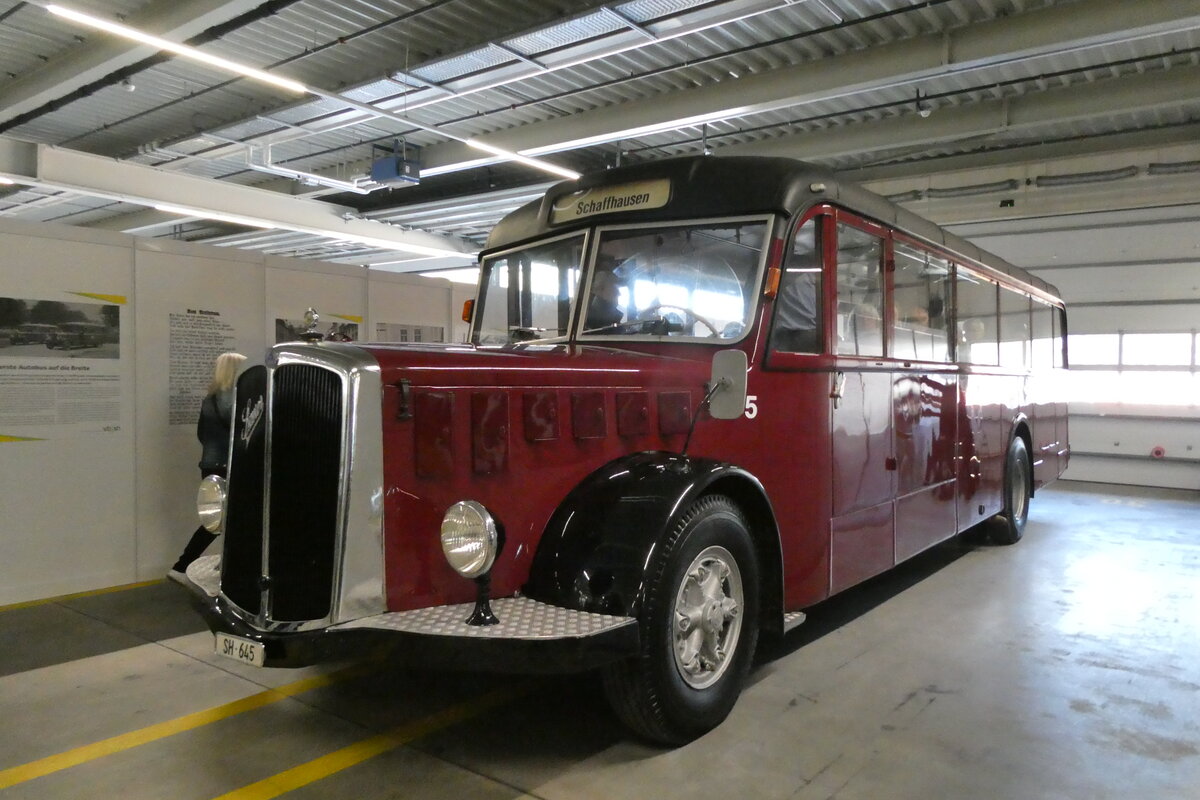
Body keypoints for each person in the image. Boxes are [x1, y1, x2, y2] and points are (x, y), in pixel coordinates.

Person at [168, 351, 246, 583]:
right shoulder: (231, 397)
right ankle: (182, 566)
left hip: (211, 464)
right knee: (219, 521)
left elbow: (202, 434)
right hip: (228, 465)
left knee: (225, 519)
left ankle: (226, 563)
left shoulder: (209, 398)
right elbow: (239, 428)